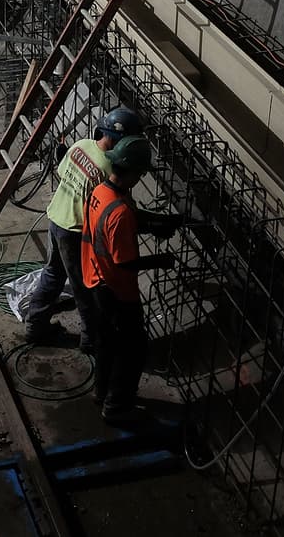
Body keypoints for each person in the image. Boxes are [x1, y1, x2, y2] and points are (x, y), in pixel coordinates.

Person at [23, 107, 144, 353]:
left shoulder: (80, 145)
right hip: (75, 231)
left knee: (53, 273)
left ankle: (35, 327)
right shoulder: (108, 168)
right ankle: (91, 342)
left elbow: (61, 171)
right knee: (85, 289)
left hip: (57, 216)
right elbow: (108, 206)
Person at [80, 134, 176, 423]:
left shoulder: (101, 192)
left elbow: (117, 225)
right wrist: (160, 261)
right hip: (116, 291)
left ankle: (101, 392)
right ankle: (117, 406)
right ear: (133, 173)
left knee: (106, 343)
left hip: (94, 280)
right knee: (132, 349)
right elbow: (126, 262)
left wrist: (156, 223)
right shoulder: (121, 213)